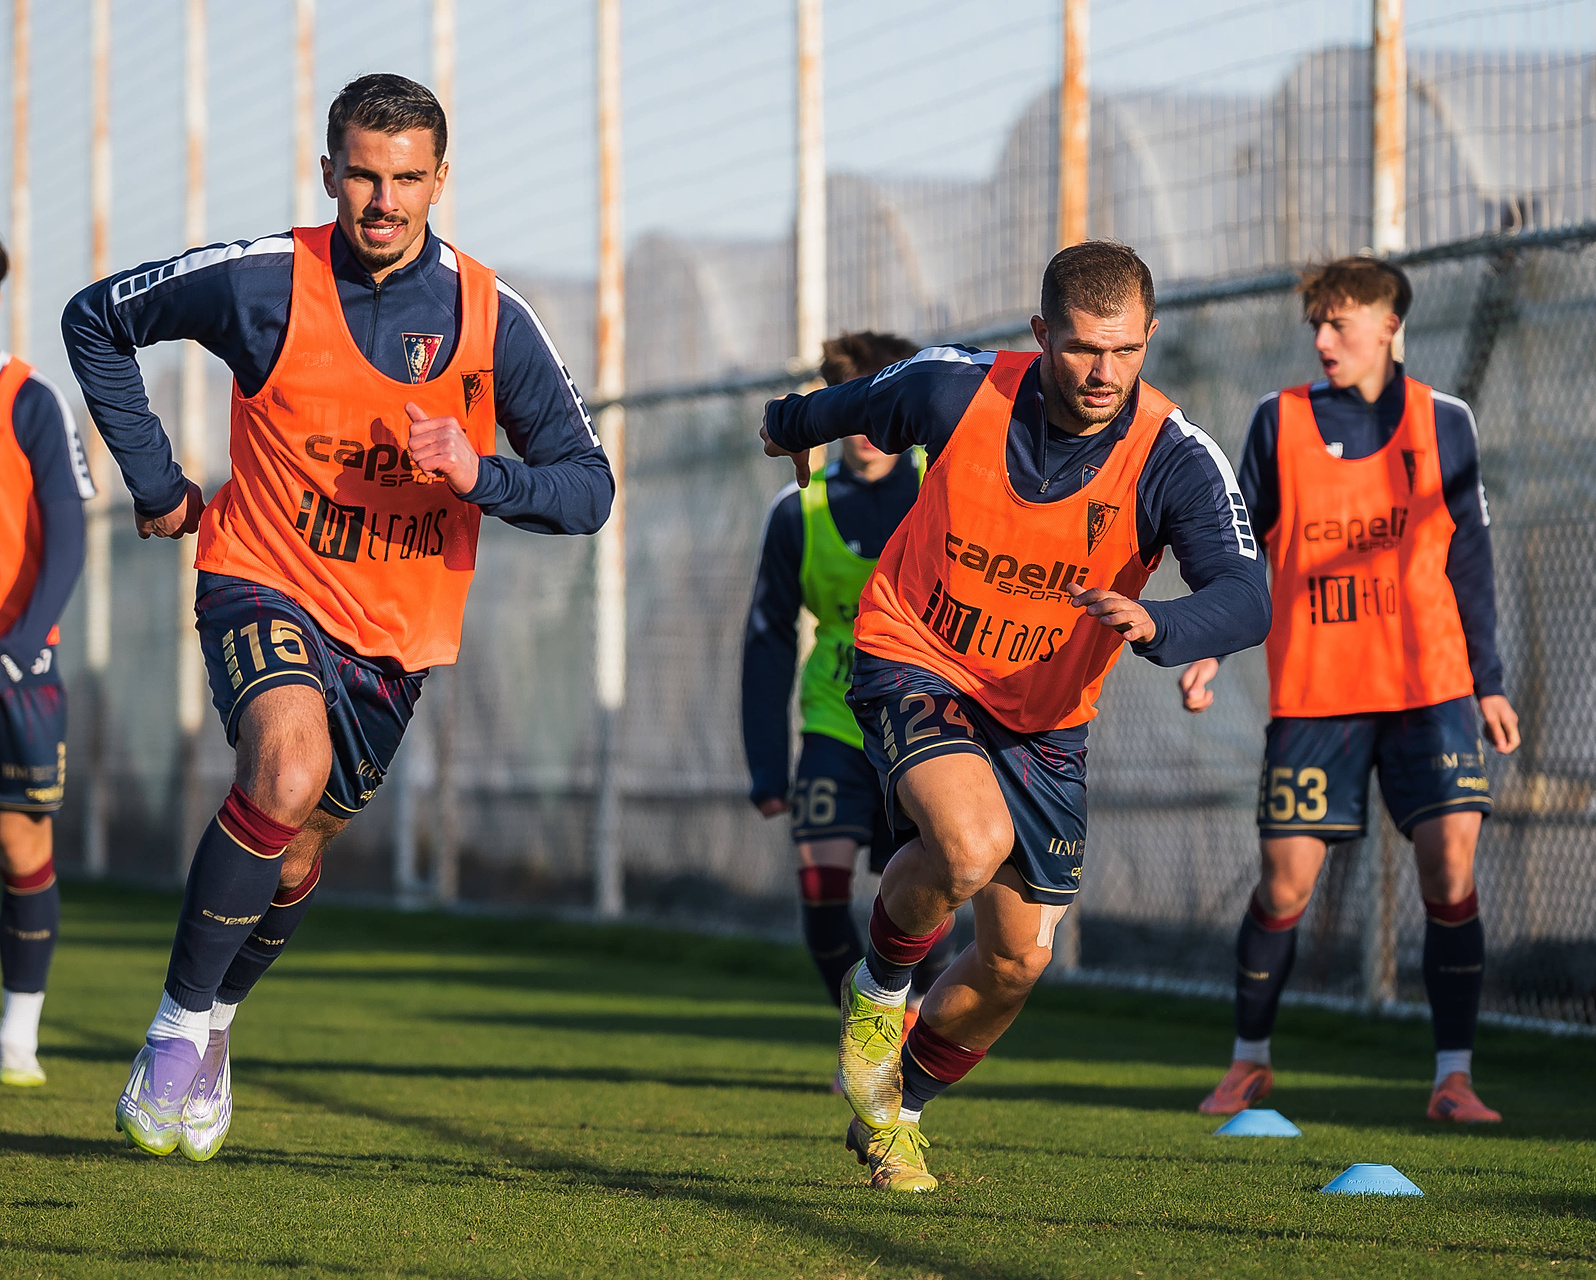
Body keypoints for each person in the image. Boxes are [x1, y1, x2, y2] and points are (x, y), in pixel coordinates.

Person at [62, 73, 612, 1160]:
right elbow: (97, 320)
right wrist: (158, 480)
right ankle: (172, 1028)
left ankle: (217, 1021)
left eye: (408, 178)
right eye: (362, 173)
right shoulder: (265, 279)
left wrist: (482, 475)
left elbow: (588, 488)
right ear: (328, 172)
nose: (383, 200)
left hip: (395, 636)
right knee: (285, 767)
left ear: (440, 180)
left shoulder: (496, 316)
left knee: (301, 851)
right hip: (260, 577)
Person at [761, 241, 1269, 1192]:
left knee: (1019, 962)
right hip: (917, 652)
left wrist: (1163, 621)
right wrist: (789, 422)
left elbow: (1248, 592)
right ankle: (879, 991)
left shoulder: (1172, 457)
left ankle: (893, 1111)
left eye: (1124, 351)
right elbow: (862, 401)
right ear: (1042, 335)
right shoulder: (960, 393)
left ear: (1151, 338)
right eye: (1081, 349)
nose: (1103, 373)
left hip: (1044, 719)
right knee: (967, 842)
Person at [1181, 255, 1519, 1124]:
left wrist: (1489, 682)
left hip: (1430, 688)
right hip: (1318, 692)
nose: (1324, 340)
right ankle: (1248, 1060)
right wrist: (1212, 644)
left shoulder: (1444, 421)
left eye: (1340, 323)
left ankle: (1453, 1078)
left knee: (1449, 868)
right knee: (1286, 884)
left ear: (1388, 326)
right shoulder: (1278, 421)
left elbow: (1469, 557)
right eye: (1316, 326)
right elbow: (1239, 550)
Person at [742, 331, 952, 1041]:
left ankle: (910, 1018)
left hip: (922, 721)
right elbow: (767, 640)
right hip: (835, 722)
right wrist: (768, 766)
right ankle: (864, 1030)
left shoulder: (939, 492)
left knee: (931, 886)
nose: (866, 430)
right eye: (849, 410)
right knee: (822, 891)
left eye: (879, 408)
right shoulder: (796, 512)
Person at [0, 236, 95, 1089]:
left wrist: (20, 646)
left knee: (19, 838)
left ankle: (17, 1035)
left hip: (13, 668)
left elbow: (66, 540)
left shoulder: (29, 400)